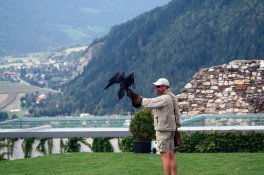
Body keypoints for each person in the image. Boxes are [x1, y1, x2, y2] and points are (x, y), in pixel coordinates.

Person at [130, 78, 180, 175]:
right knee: (170, 155)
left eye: (159, 86)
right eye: (156, 86)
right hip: (171, 129)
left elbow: (149, 102)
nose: (157, 88)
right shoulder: (173, 97)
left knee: (164, 155)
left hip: (163, 130)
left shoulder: (164, 98)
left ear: (166, 87)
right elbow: (177, 114)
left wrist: (136, 97)